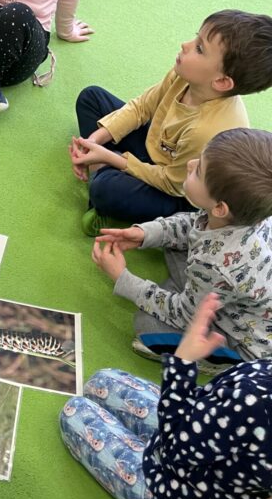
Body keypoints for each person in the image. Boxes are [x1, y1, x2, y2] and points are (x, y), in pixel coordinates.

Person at [59, 294, 272, 499]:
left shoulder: (253, 403)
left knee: (74, 412)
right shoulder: (253, 397)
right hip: (208, 451)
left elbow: (178, 449)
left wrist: (182, 363)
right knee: (101, 381)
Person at [70, 9, 272, 234]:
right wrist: (95, 140)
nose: (185, 45)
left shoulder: (205, 129)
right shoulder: (185, 73)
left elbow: (172, 183)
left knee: (105, 190)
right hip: (158, 147)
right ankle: (101, 166)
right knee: (91, 98)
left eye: (199, 48)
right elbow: (142, 107)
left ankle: (102, 177)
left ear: (222, 81)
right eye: (195, 37)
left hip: (178, 189)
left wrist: (112, 158)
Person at [92, 127, 272, 365]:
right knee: (175, 241)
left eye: (198, 171)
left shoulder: (215, 263)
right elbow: (194, 223)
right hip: (233, 288)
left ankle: (222, 362)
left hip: (246, 342)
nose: (190, 164)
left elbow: (183, 315)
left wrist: (122, 278)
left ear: (220, 208)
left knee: (147, 326)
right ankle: (194, 289)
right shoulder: (242, 212)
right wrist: (145, 233)